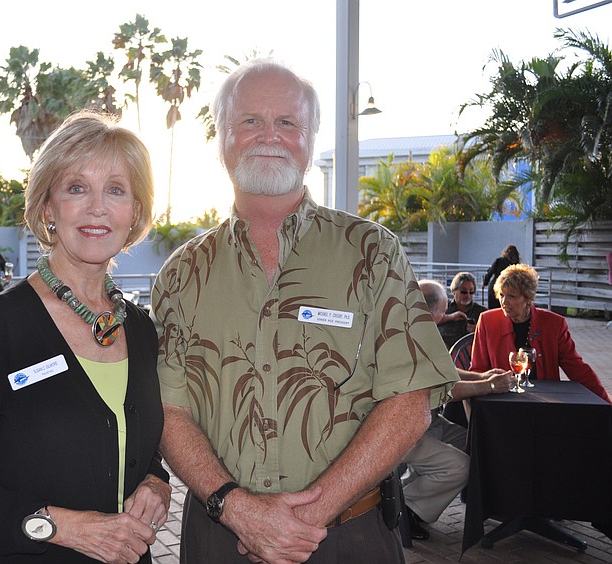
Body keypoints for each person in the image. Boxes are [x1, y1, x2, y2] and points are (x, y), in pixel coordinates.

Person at [151, 59, 457, 564]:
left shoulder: (373, 252)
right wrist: (241, 512)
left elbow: (409, 401)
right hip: (221, 539)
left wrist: (303, 520)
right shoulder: (181, 274)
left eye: (287, 122)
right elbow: (169, 410)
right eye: (249, 120)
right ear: (222, 137)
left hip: (349, 539)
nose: (269, 135)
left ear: (310, 139)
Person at [0, 111, 171, 563]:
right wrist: (61, 527)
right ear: (48, 208)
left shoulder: (141, 330)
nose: (97, 207)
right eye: (77, 188)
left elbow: (133, 445)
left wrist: (155, 481)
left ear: (135, 212)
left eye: (116, 189)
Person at [403, 280, 513, 541]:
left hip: (425, 419)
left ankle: (410, 495)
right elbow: (439, 391)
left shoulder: (420, 329)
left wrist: (480, 376)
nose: (446, 315)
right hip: (403, 428)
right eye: (443, 310)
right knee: (460, 466)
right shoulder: (408, 337)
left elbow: (446, 373)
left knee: (473, 440)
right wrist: (487, 386)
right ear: (432, 311)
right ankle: (404, 509)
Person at [471, 263, 610, 403]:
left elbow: (576, 368)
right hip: (501, 401)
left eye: (511, 296)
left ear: (528, 298)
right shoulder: (487, 321)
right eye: (501, 295)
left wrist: (605, 401)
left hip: (545, 400)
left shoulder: (554, 324)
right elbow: (477, 370)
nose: (504, 302)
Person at [437, 272, 487, 349]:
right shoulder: (443, 307)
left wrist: (477, 331)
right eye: (463, 291)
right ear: (453, 291)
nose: (468, 295)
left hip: (468, 357)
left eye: (471, 292)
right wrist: (450, 317)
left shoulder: (481, 312)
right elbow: (428, 322)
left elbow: (490, 337)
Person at [482, 244, 520, 309]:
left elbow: (490, 273)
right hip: (509, 289)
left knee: (492, 310)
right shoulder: (516, 264)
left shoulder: (499, 261)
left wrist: (485, 283)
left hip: (495, 286)